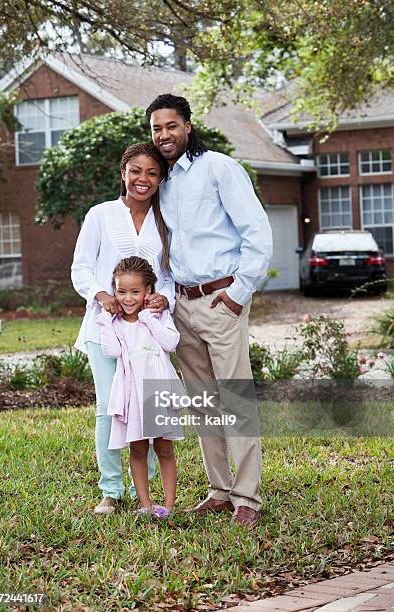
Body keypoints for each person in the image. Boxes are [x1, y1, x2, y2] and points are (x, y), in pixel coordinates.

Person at [146, 93, 273, 528]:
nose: (163, 135)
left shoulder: (220, 168)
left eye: (170, 126)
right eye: (156, 129)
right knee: (203, 402)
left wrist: (239, 293)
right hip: (182, 303)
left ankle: (247, 498)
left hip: (222, 300)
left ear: (187, 124)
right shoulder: (163, 181)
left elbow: (257, 231)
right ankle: (220, 489)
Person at [71, 143, 174, 515]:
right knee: (110, 410)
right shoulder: (100, 215)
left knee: (146, 411)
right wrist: (100, 294)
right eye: (135, 171)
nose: (142, 179)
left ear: (161, 179)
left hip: (147, 334)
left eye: (151, 173)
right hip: (106, 331)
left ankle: (144, 496)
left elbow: (168, 276)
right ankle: (111, 491)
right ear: (123, 173)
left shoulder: (165, 222)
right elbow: (81, 267)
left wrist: (164, 299)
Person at [96, 256, 182, 517]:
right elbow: (110, 350)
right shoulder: (117, 324)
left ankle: (168, 506)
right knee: (138, 449)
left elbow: (170, 343)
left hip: (157, 390)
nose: (128, 298)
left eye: (135, 291)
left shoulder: (159, 316)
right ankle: (145, 506)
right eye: (121, 291)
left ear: (148, 292)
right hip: (133, 394)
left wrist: (149, 318)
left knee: (164, 448)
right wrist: (105, 321)